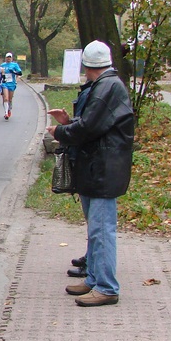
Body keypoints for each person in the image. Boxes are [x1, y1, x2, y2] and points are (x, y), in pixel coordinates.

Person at [46, 40, 134, 307]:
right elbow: (94, 124)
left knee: (102, 230)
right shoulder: (105, 85)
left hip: (103, 169)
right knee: (96, 229)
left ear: (86, 65)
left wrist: (61, 131)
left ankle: (106, 287)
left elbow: (89, 128)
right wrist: (69, 123)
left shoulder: (107, 87)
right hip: (98, 167)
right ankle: (95, 279)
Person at [0, 52, 23, 120]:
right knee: (5, 98)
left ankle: (9, 109)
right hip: (4, 83)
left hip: (12, 84)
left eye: (10, 57)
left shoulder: (14, 65)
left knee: (10, 99)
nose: (8, 58)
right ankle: (6, 113)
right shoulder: (2, 65)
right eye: (7, 57)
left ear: (12, 58)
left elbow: (20, 73)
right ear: (5, 58)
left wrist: (13, 72)